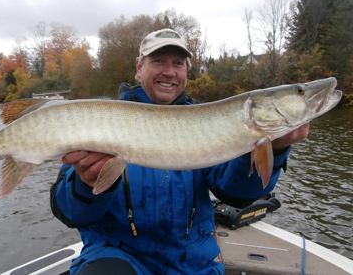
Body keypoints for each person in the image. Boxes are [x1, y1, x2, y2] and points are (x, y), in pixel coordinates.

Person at [50, 28, 309, 275]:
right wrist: (86, 184)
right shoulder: (102, 119)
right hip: (118, 254)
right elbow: (70, 213)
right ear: (139, 67)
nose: (169, 71)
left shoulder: (210, 122)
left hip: (193, 262)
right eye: (159, 60)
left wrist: (277, 148)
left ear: (186, 71)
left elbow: (238, 195)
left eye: (178, 63)